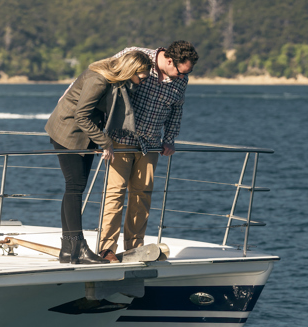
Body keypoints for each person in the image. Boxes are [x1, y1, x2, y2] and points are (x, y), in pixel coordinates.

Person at [45, 50, 152, 264]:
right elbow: (81, 116)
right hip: (67, 133)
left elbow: (98, 114)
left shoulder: (114, 80)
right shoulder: (99, 80)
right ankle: (79, 248)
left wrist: (96, 140)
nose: (142, 81)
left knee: (75, 188)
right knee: (75, 187)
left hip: (84, 136)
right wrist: (105, 142)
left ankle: (68, 250)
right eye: (142, 76)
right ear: (131, 69)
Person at [97, 41, 199, 263]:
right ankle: (106, 249)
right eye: (181, 72)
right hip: (120, 140)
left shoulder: (181, 80)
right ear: (169, 60)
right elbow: (102, 79)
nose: (183, 78)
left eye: (187, 73)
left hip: (151, 145)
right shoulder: (135, 56)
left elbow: (176, 110)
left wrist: (169, 139)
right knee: (115, 194)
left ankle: (135, 247)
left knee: (142, 196)